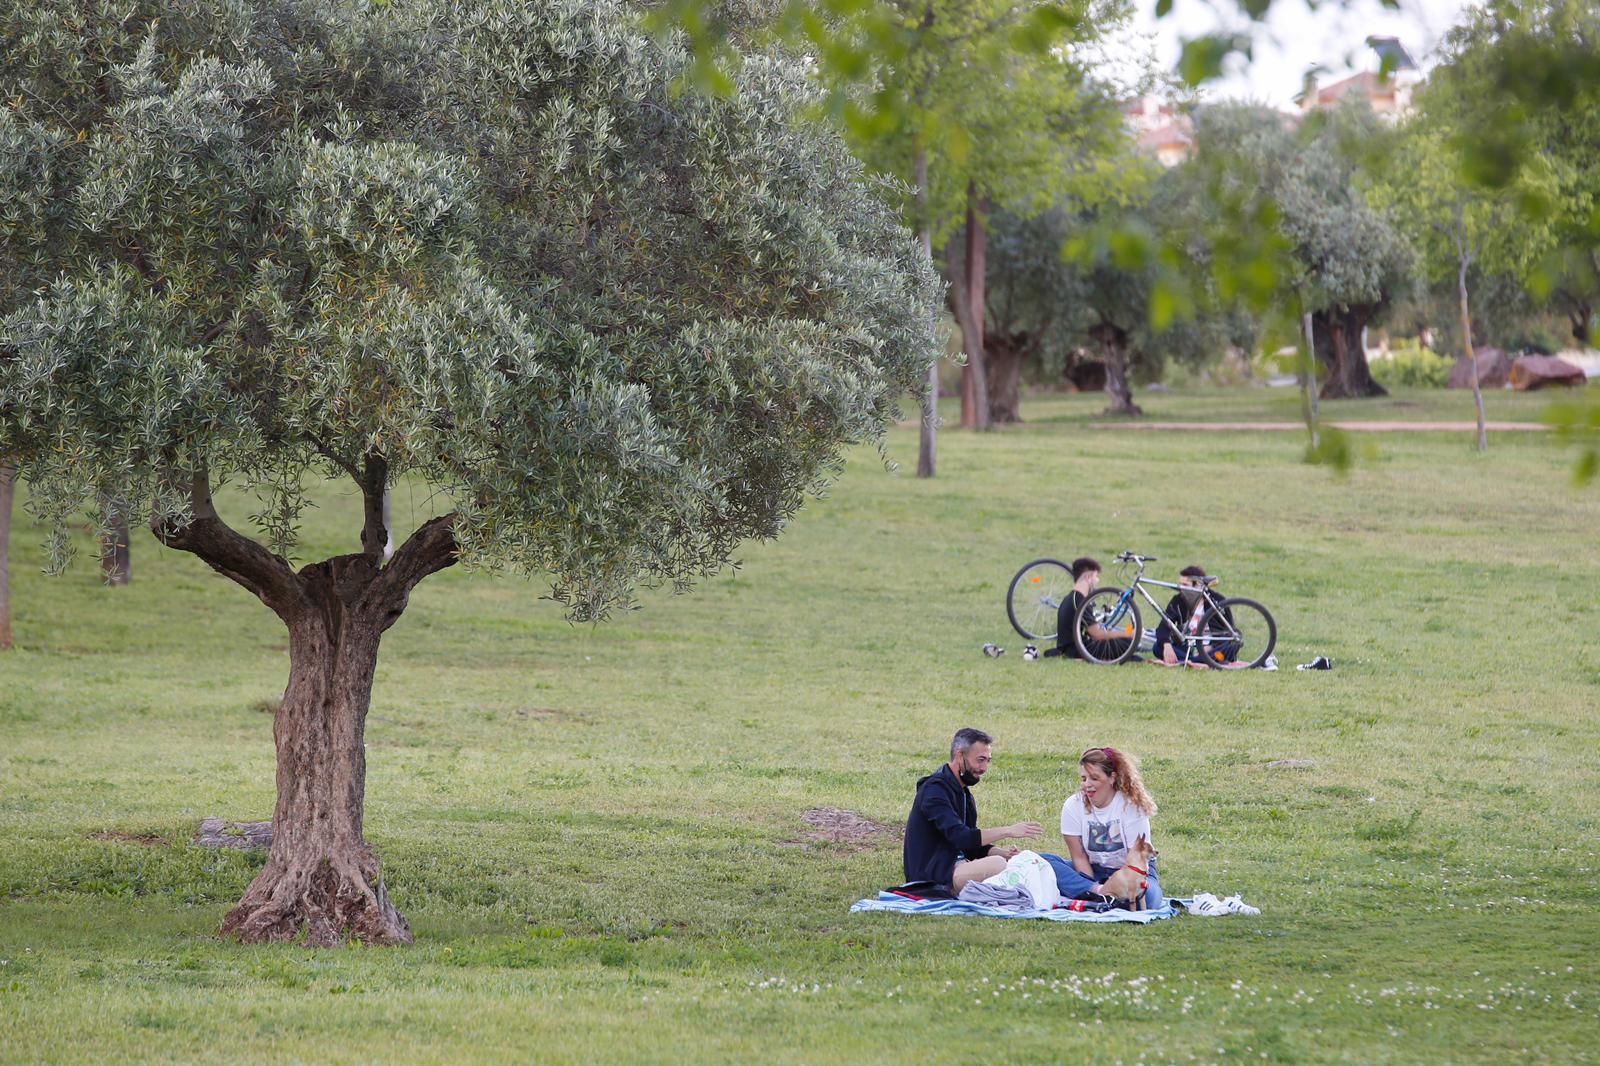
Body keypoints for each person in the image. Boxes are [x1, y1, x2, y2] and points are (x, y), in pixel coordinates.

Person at [903, 728, 1043, 895]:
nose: (984, 768)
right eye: (980, 760)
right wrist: (1008, 831)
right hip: (934, 877)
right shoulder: (934, 791)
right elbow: (962, 837)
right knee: (998, 865)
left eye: (988, 761)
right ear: (960, 756)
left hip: (958, 869)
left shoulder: (964, 795)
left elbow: (972, 848)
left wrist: (1006, 854)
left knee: (1027, 860)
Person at [1043, 746, 1164, 910]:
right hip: (1094, 871)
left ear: (1112, 778)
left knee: (1147, 900)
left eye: (1094, 778)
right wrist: (1094, 887)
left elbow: (1135, 860)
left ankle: (1097, 897)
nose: (1087, 785)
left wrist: (1117, 884)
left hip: (1132, 873)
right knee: (1039, 862)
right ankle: (1098, 895)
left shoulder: (1131, 807)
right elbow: (1079, 858)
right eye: (1084, 778)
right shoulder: (1073, 805)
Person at [1151, 565, 1246, 669]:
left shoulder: (1217, 600)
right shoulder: (1178, 600)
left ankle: (1191, 661)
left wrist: (1209, 647)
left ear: (1197, 585)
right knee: (1158, 647)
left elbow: (1228, 632)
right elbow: (1163, 626)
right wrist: (1166, 645)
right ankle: (1201, 662)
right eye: (1180, 584)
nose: (1181, 588)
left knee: (1230, 647)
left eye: (1185, 585)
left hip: (1213, 648)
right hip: (1189, 648)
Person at [1047, 557, 1139, 662]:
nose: (1097, 581)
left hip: (1072, 647)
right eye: (1096, 576)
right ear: (1088, 578)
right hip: (1078, 650)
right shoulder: (1080, 601)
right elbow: (1097, 634)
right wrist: (1128, 633)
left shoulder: (1072, 597)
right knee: (1127, 642)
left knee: (1124, 642)